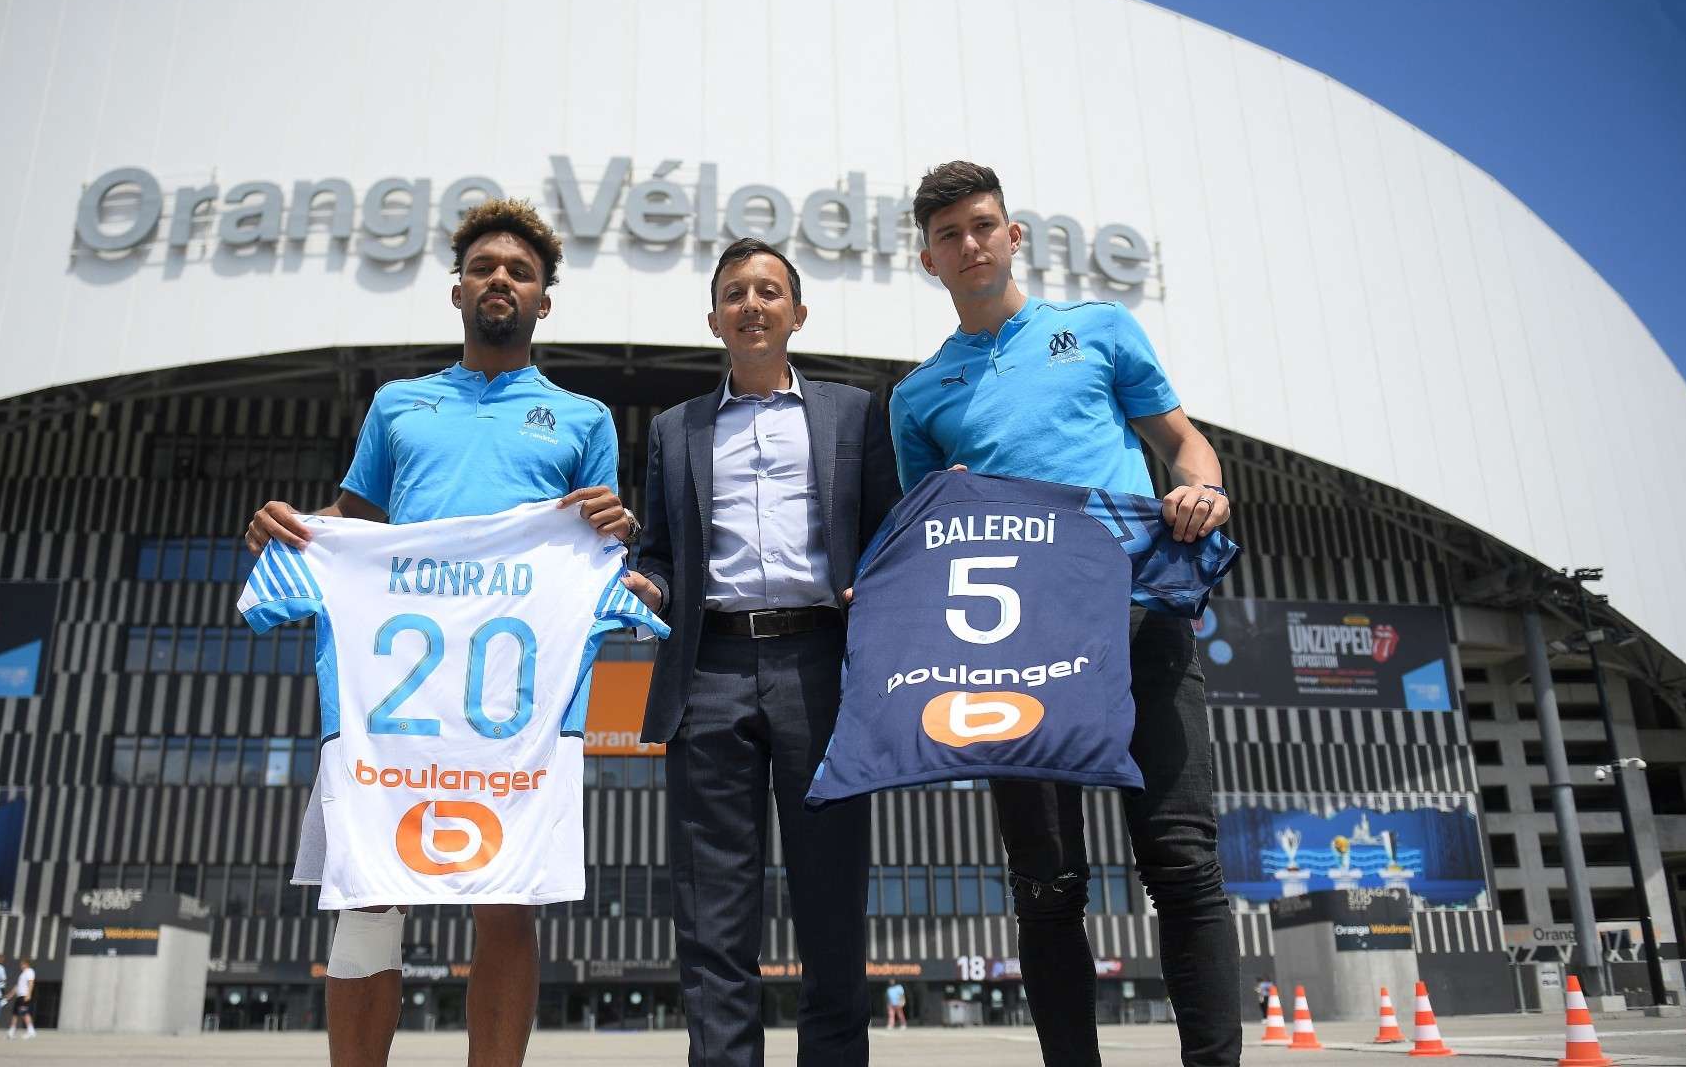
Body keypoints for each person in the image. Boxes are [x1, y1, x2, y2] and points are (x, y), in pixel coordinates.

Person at [244, 198, 637, 1067]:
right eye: (484, 268)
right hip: (398, 684)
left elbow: (598, 546)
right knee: (368, 894)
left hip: (511, 693)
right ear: (457, 290)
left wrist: (620, 531)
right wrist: (290, 527)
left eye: (521, 272)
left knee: (507, 899)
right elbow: (354, 524)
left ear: (544, 301)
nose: (501, 279)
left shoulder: (583, 418)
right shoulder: (398, 404)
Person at [890, 161, 1240, 1067]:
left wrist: (1202, 489)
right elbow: (929, 540)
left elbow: (1183, 443)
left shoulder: (1100, 330)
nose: (969, 244)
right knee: (1046, 887)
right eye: (948, 235)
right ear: (928, 260)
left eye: (982, 226)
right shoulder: (917, 397)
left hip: (1139, 620)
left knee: (1181, 862)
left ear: (1014, 237)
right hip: (1016, 650)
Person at [627, 237, 901, 1067]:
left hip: (822, 669)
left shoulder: (853, 413)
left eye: (769, 291)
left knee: (831, 902)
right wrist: (648, 587)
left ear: (798, 314)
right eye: (735, 293)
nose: (752, 304)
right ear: (714, 319)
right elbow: (659, 552)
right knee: (713, 912)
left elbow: (888, 534)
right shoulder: (674, 429)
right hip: (707, 671)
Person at [7, 957, 38, 1039]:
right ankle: (11, 1032)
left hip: (24, 995)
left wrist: (29, 994)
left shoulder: (30, 971)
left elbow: (31, 983)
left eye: (22, 964)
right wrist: (10, 994)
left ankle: (31, 1031)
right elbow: (18, 986)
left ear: (26, 964)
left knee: (25, 1013)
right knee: (15, 1014)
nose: (21, 965)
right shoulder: (22, 974)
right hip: (19, 996)